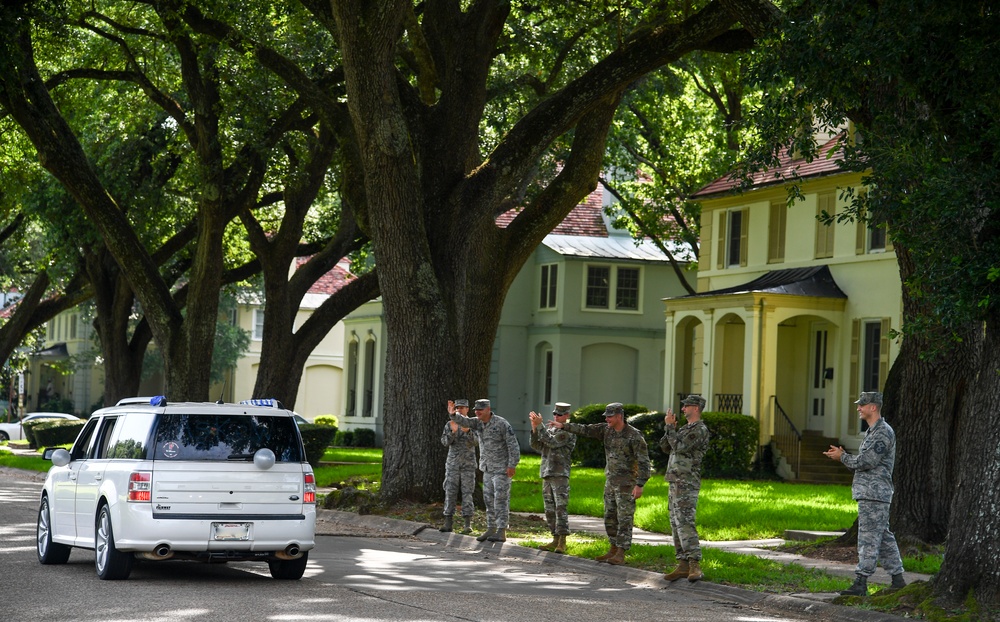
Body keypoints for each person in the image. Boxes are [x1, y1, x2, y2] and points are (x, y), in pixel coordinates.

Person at [823, 391, 906, 596]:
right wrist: (844, 457)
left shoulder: (883, 432)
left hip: (874, 494)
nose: (859, 408)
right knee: (884, 537)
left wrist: (843, 457)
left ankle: (861, 582)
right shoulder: (872, 432)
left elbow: (867, 462)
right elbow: (863, 462)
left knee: (868, 537)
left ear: (873, 407)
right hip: (872, 493)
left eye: (862, 405)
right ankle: (898, 580)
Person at [551, 402, 650, 565]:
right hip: (610, 482)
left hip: (627, 484)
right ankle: (612, 548)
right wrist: (563, 426)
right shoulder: (606, 430)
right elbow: (586, 429)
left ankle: (621, 552)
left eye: (610, 416)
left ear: (619, 416)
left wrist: (640, 484)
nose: (607, 419)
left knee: (624, 518)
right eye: (606, 416)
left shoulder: (634, 436)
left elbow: (644, 461)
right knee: (609, 517)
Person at [450, 399, 520, 543]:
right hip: (487, 469)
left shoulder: (501, 424)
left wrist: (512, 465)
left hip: (502, 469)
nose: (477, 412)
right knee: (488, 499)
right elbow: (465, 422)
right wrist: (453, 415)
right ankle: (491, 528)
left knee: (500, 499)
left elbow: (513, 445)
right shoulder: (477, 422)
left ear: (488, 409)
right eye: (475, 410)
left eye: (480, 410)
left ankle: (501, 531)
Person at [661, 394, 711, 582]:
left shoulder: (699, 430)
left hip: (687, 481)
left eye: (686, 406)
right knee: (675, 522)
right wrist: (670, 429)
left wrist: (670, 429)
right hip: (675, 480)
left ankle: (694, 565)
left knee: (685, 522)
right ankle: (682, 564)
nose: (683, 409)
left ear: (696, 408)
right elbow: (667, 447)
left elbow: (680, 448)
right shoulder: (684, 429)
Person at [529, 402, 577, 554]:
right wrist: (535, 428)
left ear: (567, 416)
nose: (556, 416)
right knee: (549, 509)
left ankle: (562, 540)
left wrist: (541, 426)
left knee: (560, 508)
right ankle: (555, 538)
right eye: (555, 414)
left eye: (560, 414)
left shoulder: (568, 430)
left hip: (560, 473)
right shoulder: (550, 429)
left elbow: (553, 442)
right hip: (547, 472)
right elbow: (537, 446)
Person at [440, 399, 478, 534]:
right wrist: (453, 432)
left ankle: (467, 524)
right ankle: (448, 522)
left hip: (468, 465)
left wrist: (468, 432)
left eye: (463, 408)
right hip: (453, 465)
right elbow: (444, 442)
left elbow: (477, 442)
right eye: (458, 408)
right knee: (450, 493)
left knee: (467, 494)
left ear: (467, 409)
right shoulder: (450, 424)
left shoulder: (473, 424)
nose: (460, 410)